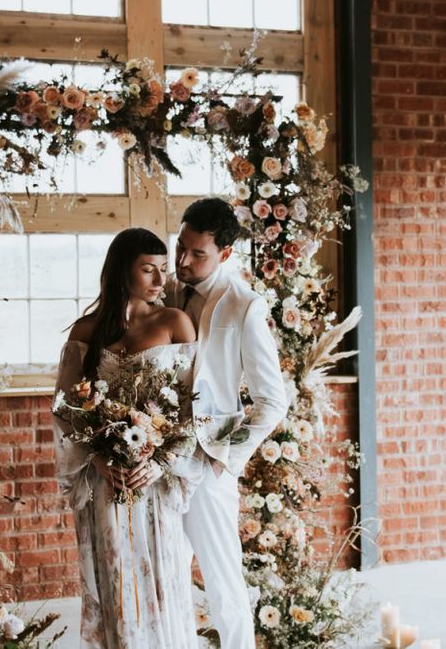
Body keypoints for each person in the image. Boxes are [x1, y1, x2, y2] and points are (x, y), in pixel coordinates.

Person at [53, 227, 201, 648]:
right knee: (115, 574)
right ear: (122, 272)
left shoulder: (175, 323)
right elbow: (66, 408)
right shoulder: (86, 331)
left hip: (155, 481)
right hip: (107, 480)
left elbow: (192, 407)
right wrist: (95, 459)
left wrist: (160, 462)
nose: (160, 281)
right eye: (148, 270)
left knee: (162, 574)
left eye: (163, 270)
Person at [163, 197, 292, 649]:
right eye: (181, 247)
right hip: (157, 460)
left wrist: (227, 456)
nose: (183, 260)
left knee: (222, 577)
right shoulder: (163, 290)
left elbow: (272, 401)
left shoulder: (244, 306)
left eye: (198, 254)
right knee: (166, 574)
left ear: (225, 254)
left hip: (208, 462)